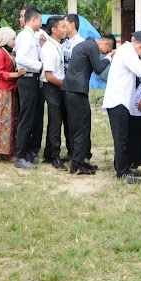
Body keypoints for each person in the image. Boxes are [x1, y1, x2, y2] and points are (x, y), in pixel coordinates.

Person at [103, 31, 141, 183]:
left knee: (124, 136)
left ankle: (123, 167)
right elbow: (139, 71)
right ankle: (122, 173)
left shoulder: (126, 50)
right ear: (140, 46)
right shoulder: (127, 51)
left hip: (121, 100)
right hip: (118, 101)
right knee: (121, 138)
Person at [62, 34, 115, 174]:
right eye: (104, 51)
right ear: (105, 44)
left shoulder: (83, 45)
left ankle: (78, 162)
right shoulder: (92, 46)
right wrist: (109, 58)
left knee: (76, 127)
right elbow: (98, 69)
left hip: (70, 89)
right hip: (77, 91)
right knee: (82, 127)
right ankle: (78, 164)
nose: (102, 54)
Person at [13, 8, 45, 169]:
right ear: (33, 19)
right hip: (27, 80)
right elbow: (21, 58)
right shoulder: (25, 36)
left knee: (32, 117)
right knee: (26, 118)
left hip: (33, 80)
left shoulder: (32, 35)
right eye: (40, 20)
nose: (41, 23)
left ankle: (26, 152)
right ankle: (20, 155)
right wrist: (40, 65)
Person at [0, 27, 23, 162]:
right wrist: (16, 74)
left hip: (11, 89)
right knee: (1, 120)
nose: (14, 41)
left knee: (11, 121)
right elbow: (0, 72)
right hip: (3, 89)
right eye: (12, 39)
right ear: (6, 40)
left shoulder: (10, 53)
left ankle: (6, 150)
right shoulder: (0, 53)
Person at [40, 17, 68, 169]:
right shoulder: (49, 48)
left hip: (57, 85)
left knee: (55, 121)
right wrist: (64, 85)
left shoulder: (57, 45)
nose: (65, 29)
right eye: (63, 27)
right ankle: (55, 156)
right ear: (54, 30)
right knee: (55, 121)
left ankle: (49, 152)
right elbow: (49, 75)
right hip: (52, 86)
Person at [61, 13, 84, 160]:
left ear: (73, 25)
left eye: (65, 25)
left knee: (77, 121)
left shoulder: (80, 43)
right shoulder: (64, 43)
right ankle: (70, 150)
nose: (63, 28)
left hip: (75, 87)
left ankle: (80, 152)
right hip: (63, 86)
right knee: (66, 120)